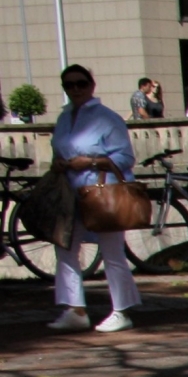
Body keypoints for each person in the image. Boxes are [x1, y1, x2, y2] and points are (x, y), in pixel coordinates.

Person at [48, 64, 140, 334]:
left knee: (112, 252)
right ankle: (75, 308)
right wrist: (60, 164)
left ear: (91, 85)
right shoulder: (64, 118)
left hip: (103, 192)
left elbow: (125, 157)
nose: (75, 89)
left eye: (80, 83)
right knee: (64, 248)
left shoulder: (107, 118)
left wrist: (89, 161)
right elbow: (59, 149)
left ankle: (121, 310)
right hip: (72, 193)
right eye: (69, 85)